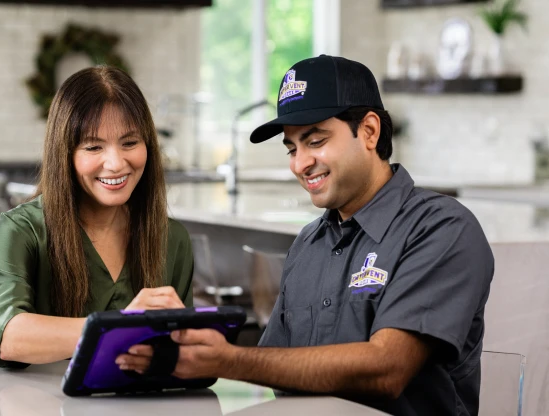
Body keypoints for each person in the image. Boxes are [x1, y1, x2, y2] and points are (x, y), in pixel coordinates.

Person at [117, 55, 494, 416]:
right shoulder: (308, 244)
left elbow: (387, 368)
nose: (300, 164)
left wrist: (228, 358)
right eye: (292, 148)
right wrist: (183, 341)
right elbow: (274, 370)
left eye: (315, 141)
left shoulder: (441, 228)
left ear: (369, 131)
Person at [0, 66, 194, 368]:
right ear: (65, 154)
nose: (116, 163)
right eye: (93, 147)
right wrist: (121, 326)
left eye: (130, 143)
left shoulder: (173, 239)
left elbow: (181, 354)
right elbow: (9, 336)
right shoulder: (20, 231)